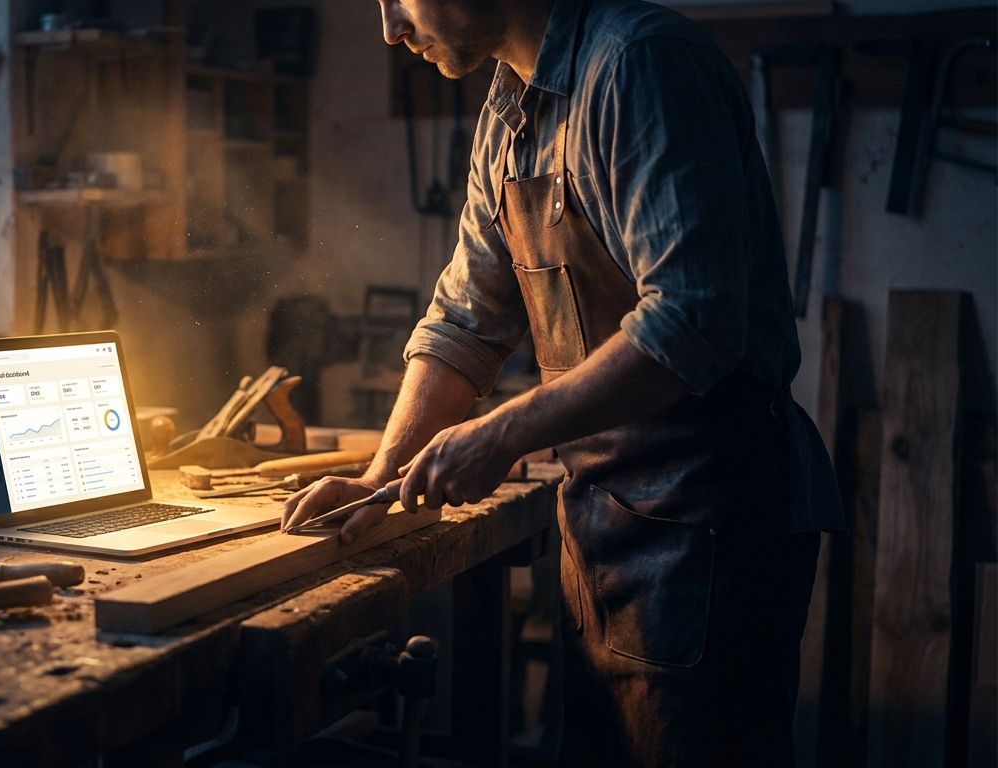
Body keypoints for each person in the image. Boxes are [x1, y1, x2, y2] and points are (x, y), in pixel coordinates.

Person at [281, 0, 845, 764]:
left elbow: (693, 321)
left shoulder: (641, 67)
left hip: (712, 527)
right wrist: (380, 481)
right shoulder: (510, 109)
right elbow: (466, 319)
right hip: (602, 527)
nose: (390, 29)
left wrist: (505, 430)